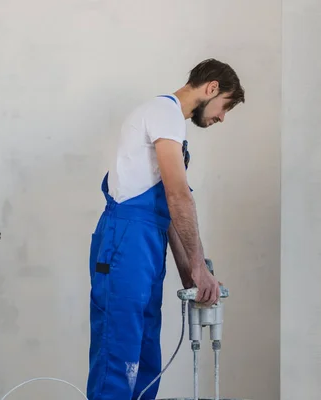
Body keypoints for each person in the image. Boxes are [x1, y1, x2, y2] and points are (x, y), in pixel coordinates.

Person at [86, 58, 245, 400]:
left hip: (147, 243)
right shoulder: (164, 113)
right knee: (119, 353)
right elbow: (177, 196)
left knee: (144, 358)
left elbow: (170, 211)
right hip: (126, 240)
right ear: (211, 88)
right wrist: (199, 268)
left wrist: (190, 270)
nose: (221, 117)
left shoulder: (172, 127)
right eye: (224, 106)